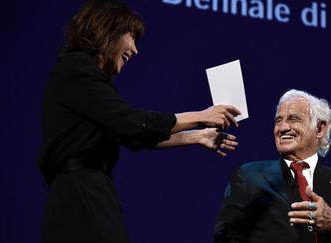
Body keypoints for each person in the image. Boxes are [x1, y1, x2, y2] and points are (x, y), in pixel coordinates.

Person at [38, 1, 241, 242]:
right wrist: (201, 116)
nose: (135, 50)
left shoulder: (88, 78)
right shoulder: (77, 68)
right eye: (132, 37)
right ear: (109, 29)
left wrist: (198, 136)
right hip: (81, 197)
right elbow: (134, 123)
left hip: (86, 194)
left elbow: (134, 137)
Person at [214, 89, 331, 243]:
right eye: (279, 120)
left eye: (294, 119)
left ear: (319, 128)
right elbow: (226, 234)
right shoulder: (249, 176)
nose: (283, 128)